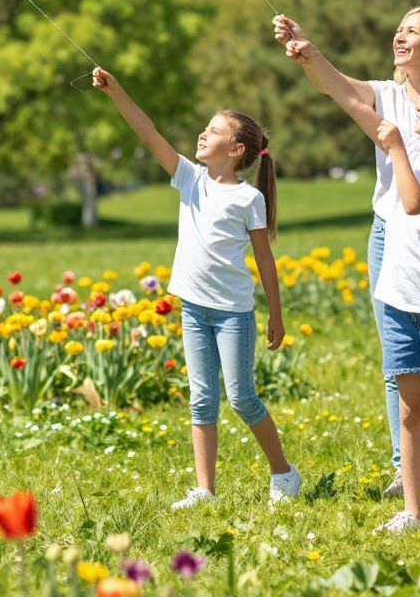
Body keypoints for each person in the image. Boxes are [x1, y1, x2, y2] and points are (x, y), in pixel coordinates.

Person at [291, 45, 420, 539]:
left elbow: (415, 202)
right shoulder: (414, 155)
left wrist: (398, 150)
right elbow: (353, 103)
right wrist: (311, 57)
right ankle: (413, 511)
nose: (419, 107)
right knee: (410, 409)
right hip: (399, 302)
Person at [273, 8, 420, 498]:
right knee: (398, 359)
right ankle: (406, 468)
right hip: (387, 234)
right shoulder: (387, 93)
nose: (399, 35)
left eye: (412, 31)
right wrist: (307, 51)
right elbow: (336, 87)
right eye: (399, 28)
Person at [91, 66, 301, 509]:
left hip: (232, 314)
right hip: (193, 309)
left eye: (214, 131)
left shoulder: (248, 198)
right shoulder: (190, 177)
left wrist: (276, 314)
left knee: (242, 399)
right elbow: (148, 132)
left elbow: (265, 260)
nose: (203, 134)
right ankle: (204, 490)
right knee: (202, 399)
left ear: (236, 149)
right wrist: (117, 92)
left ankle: (283, 472)